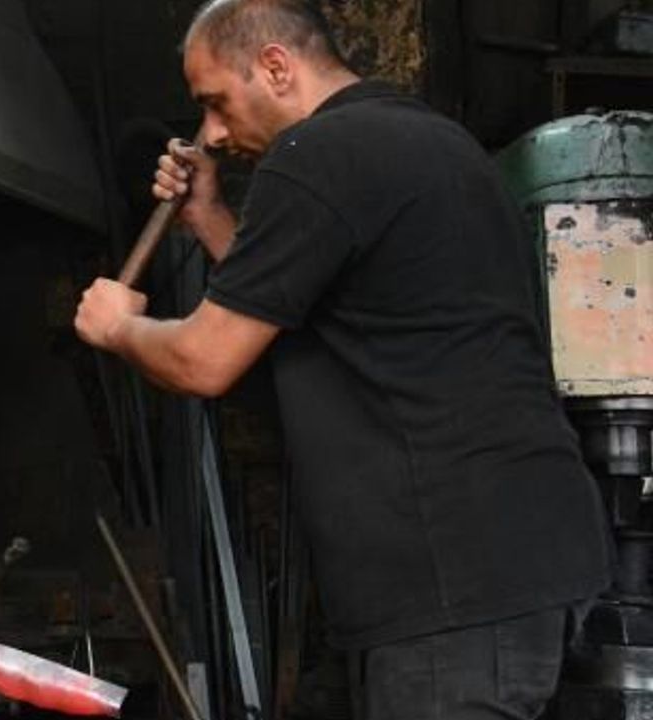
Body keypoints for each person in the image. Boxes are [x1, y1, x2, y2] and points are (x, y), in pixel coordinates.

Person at [74, 1, 613, 718]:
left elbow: (205, 359)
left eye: (216, 102)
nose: (213, 133)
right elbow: (305, 316)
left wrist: (119, 328)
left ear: (276, 66)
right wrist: (208, 216)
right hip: (522, 562)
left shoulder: (315, 156)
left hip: (450, 586)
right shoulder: (432, 141)